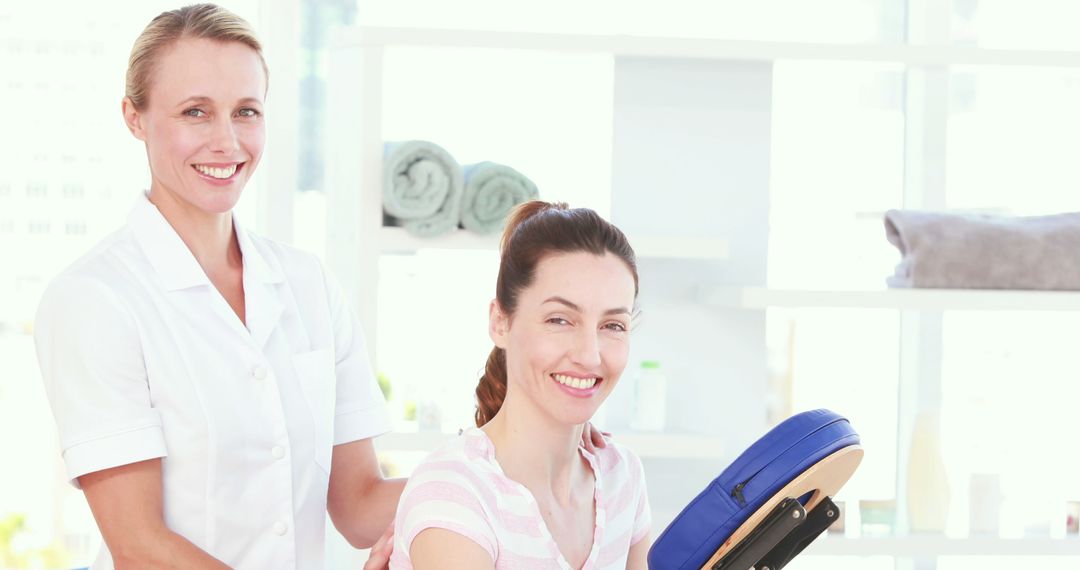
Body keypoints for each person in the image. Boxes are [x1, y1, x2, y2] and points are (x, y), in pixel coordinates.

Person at [33, 5, 403, 568]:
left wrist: (507, 460)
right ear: (135, 117)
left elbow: (359, 507)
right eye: (195, 112)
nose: (227, 142)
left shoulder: (309, 286)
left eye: (246, 111)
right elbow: (139, 547)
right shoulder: (92, 300)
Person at [390, 202, 652, 570]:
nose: (590, 356)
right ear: (500, 322)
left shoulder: (620, 476)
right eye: (560, 320)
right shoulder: (456, 494)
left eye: (613, 325)